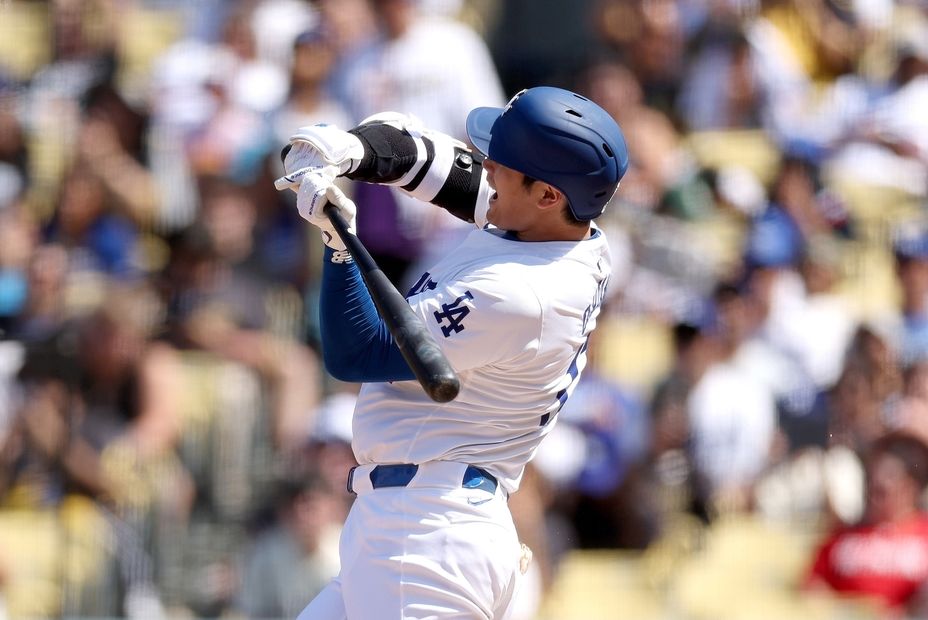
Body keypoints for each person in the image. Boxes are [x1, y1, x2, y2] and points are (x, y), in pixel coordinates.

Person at [274, 86, 628, 618]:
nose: (486, 167)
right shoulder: (560, 228)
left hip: (426, 534)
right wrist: (353, 150)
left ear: (548, 195)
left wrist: (339, 244)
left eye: (502, 164)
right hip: (422, 517)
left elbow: (359, 352)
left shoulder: (522, 293)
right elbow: (440, 169)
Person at [804, 431, 928, 618]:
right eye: (869, 485)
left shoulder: (924, 536)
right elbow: (811, 587)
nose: (872, 496)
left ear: (911, 487)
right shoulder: (843, 537)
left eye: (881, 490)